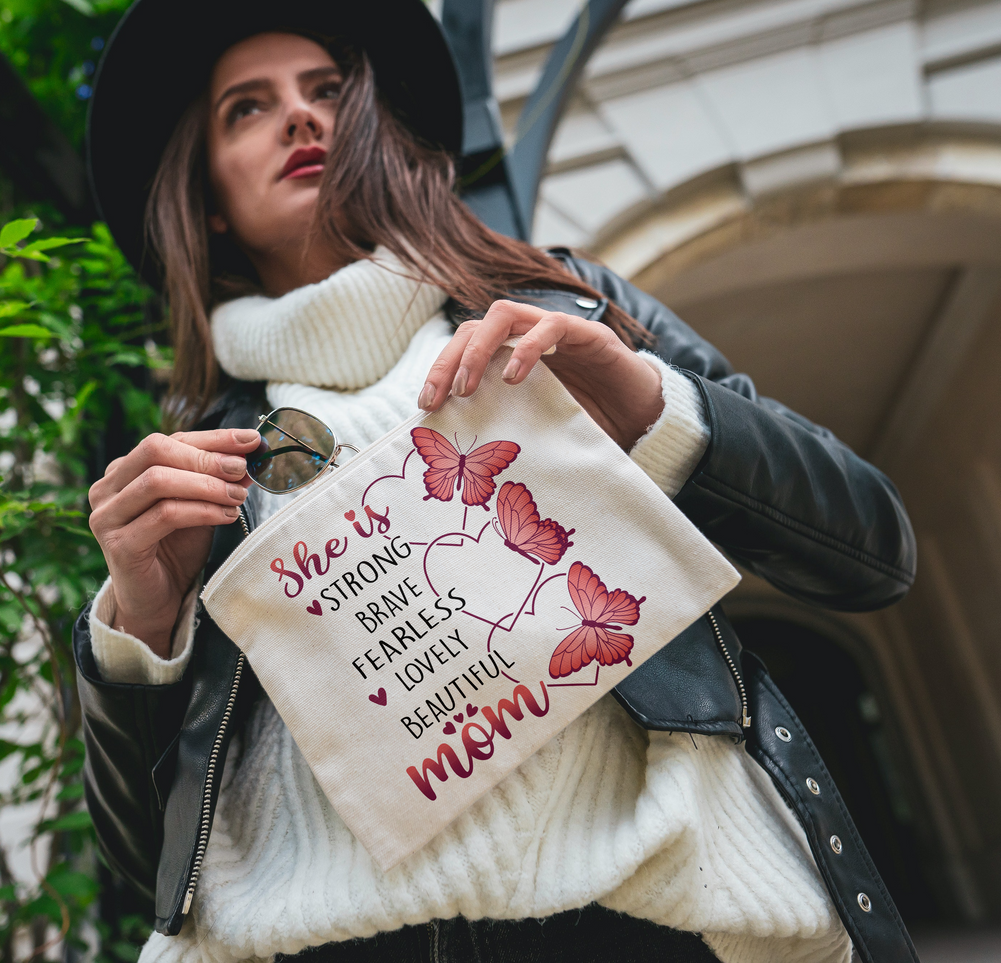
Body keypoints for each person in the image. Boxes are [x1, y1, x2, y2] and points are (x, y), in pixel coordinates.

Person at [76, 2, 920, 962]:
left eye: (328, 90)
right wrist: (141, 628)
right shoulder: (193, 457)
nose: (301, 119)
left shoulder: (562, 309)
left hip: (652, 922)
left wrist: (647, 408)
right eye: (246, 109)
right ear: (208, 196)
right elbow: (148, 863)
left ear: (381, 131)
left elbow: (870, 551)